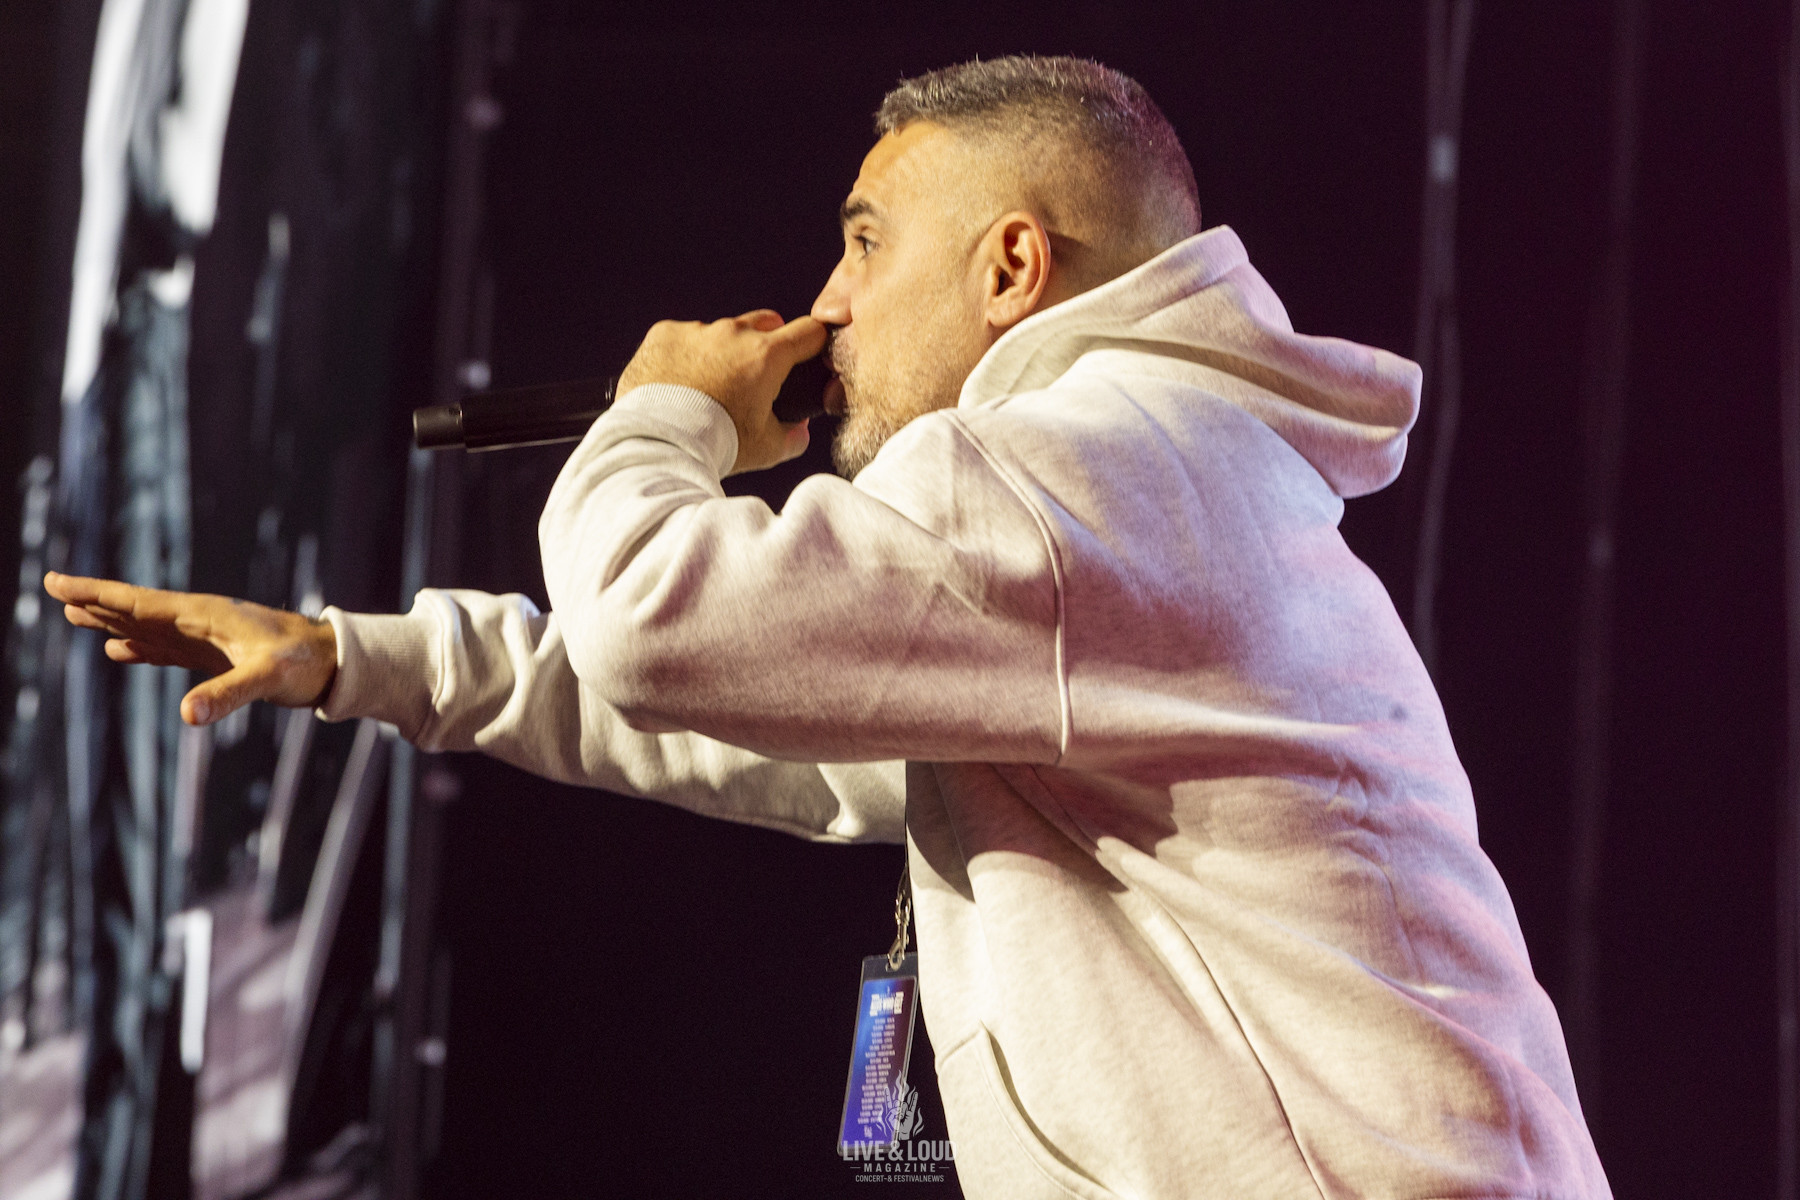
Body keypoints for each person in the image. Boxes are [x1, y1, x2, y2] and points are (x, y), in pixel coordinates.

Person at [46, 55, 1611, 1199]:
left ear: (1012, 264)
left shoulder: (1079, 467)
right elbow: (749, 713)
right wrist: (352, 657)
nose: (831, 300)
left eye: (866, 241)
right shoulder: (1151, 478)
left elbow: (655, 621)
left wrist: (665, 411)